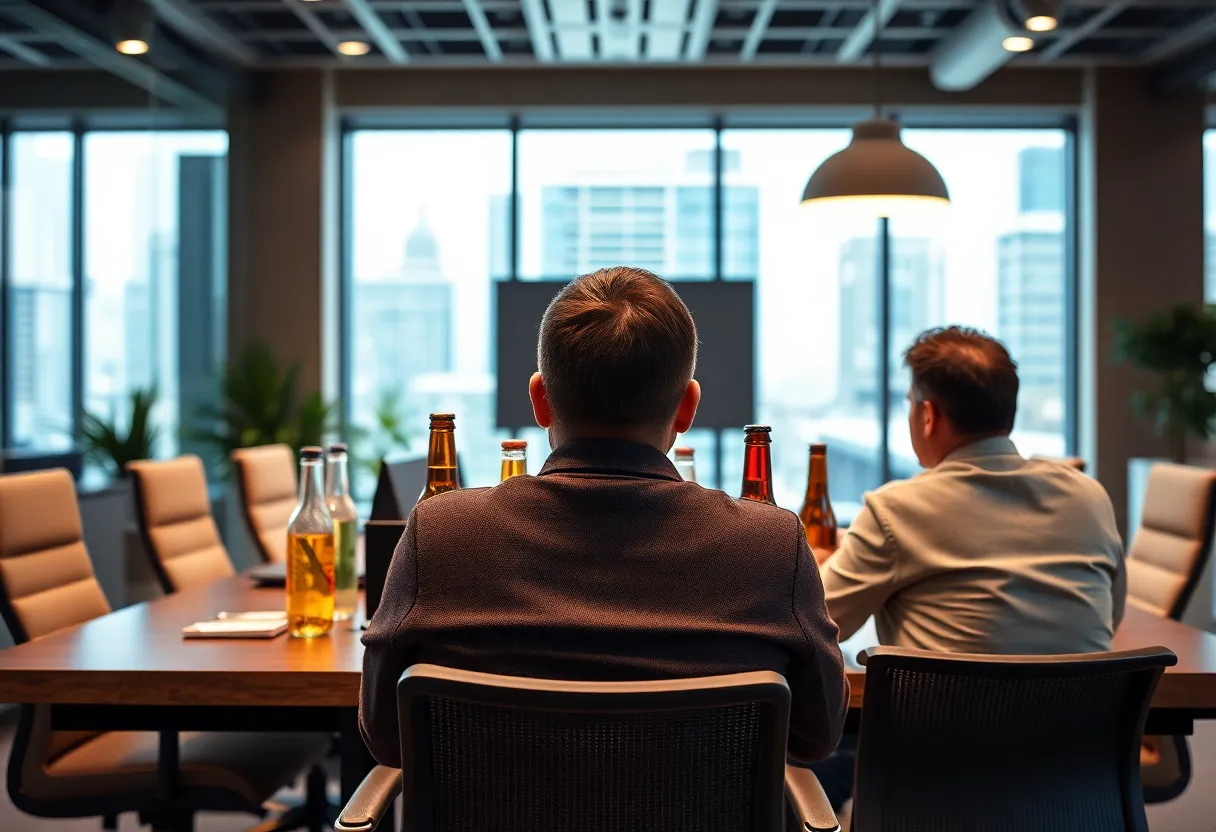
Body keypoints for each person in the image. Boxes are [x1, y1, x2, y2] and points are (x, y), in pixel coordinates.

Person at [360, 266, 848, 770]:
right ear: (687, 408)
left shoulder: (442, 534)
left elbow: (385, 737)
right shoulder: (769, 544)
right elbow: (816, 736)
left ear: (540, 399)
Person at [811, 325, 1126, 810]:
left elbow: (817, 624)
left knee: (800, 760)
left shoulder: (899, 509)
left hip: (937, 799)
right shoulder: (1090, 498)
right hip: (1075, 794)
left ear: (928, 414)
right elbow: (1111, 618)